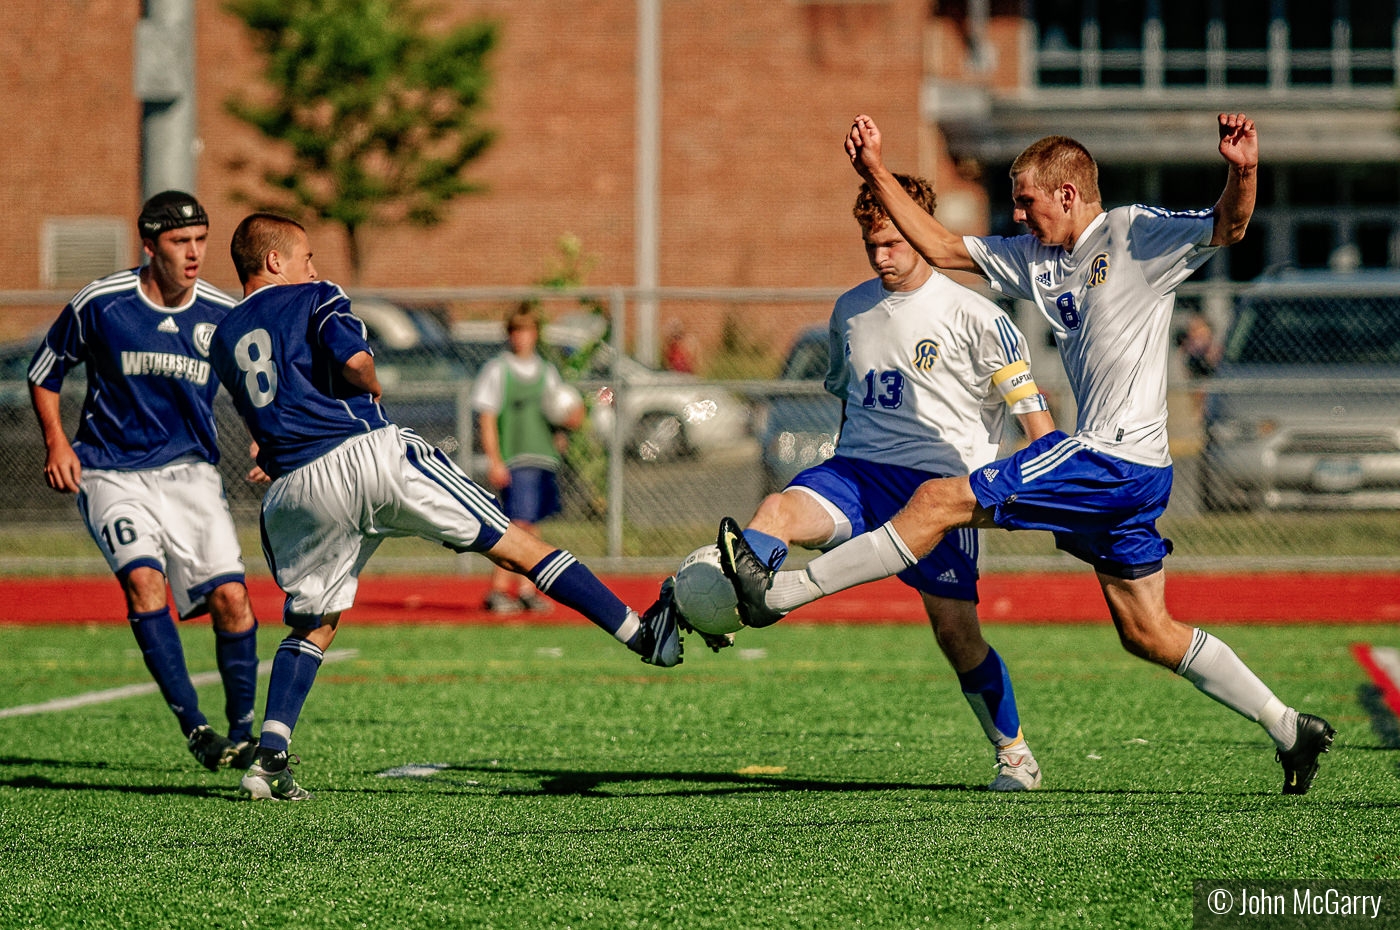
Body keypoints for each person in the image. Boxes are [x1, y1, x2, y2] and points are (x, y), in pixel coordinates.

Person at [718, 112, 1336, 795]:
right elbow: (944, 246)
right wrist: (874, 172)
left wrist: (1242, 171)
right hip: (1125, 476)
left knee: (937, 499)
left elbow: (1230, 225)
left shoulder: (1132, 234)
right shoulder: (1038, 259)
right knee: (1147, 631)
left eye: (1026, 200)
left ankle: (781, 594)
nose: (1016, 213)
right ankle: (1288, 727)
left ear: (1068, 194)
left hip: (1112, 458)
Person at [209, 213, 682, 801]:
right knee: (516, 544)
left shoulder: (223, 336)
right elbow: (353, 362)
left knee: (314, 623)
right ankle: (643, 635)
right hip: (367, 455)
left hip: (295, 488)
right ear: (275, 261)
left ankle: (269, 757)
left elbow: (269, 423)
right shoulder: (315, 295)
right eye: (306, 256)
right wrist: (372, 385)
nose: (314, 267)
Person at [709, 173, 1056, 790]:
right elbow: (849, 399)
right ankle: (731, 608)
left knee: (956, 635)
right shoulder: (850, 309)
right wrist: (840, 468)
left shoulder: (979, 316)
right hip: (856, 471)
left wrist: (1047, 491)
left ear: (920, 233)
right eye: (872, 245)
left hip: (938, 491)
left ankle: (1014, 753)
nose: (881, 255)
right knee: (776, 511)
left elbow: (1038, 425)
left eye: (893, 241)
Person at [27, 191, 261, 773]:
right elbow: (44, 371)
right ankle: (195, 727)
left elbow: (255, 388)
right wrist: (57, 442)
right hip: (110, 471)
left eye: (202, 240)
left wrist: (267, 435)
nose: (195, 253)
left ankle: (242, 735)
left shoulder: (221, 312)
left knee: (233, 599)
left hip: (191, 474)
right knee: (143, 584)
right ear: (150, 244)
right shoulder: (102, 303)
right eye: (182, 242)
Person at [471, 304, 584, 613]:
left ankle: (524, 589)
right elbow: (488, 418)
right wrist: (495, 460)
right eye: (516, 331)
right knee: (517, 525)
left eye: (528, 331)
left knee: (530, 525)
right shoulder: (498, 370)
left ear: (536, 335)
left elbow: (558, 411)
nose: (522, 338)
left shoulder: (546, 371)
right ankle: (498, 590)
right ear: (509, 335)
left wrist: (570, 421)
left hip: (543, 459)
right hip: (516, 459)